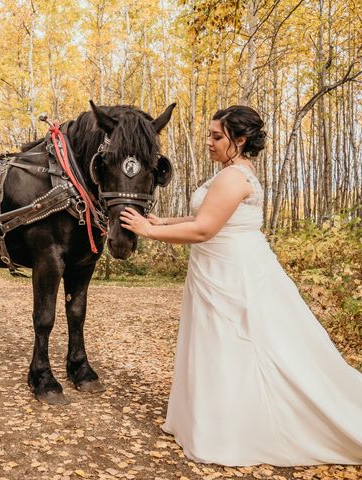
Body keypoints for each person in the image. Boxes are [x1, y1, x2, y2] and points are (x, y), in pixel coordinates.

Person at [120, 105, 362, 466]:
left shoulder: (233, 178)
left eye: (217, 136)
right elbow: (204, 216)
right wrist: (166, 220)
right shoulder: (234, 173)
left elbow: (204, 230)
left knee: (236, 341)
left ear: (241, 139)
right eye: (209, 135)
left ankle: (237, 428)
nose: (209, 142)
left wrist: (149, 231)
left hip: (231, 273)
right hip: (218, 267)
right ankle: (220, 418)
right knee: (221, 344)